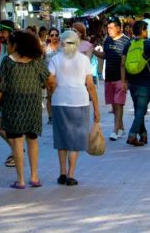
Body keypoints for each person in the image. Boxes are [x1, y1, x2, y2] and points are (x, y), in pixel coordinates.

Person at [0, 30, 54, 189]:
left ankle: (20, 180)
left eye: (9, 43)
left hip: (13, 106)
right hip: (32, 105)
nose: (7, 46)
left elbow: (0, 87)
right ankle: (34, 177)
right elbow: (50, 80)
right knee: (32, 140)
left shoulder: (8, 61)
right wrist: (50, 89)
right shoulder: (37, 61)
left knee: (16, 142)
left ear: (16, 45)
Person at [49, 31, 99, 185]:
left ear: (62, 43)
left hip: (59, 101)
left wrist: (55, 89)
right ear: (77, 43)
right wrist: (96, 109)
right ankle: (71, 175)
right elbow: (90, 86)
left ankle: (62, 173)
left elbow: (50, 81)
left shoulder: (55, 59)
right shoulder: (84, 60)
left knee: (62, 138)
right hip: (80, 101)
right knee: (75, 138)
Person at [121, 21, 150, 146]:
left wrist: (124, 81)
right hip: (145, 83)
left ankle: (143, 135)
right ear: (144, 31)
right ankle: (132, 135)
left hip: (132, 83)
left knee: (138, 109)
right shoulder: (149, 44)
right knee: (141, 110)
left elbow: (123, 64)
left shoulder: (128, 44)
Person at [93, 17, 130, 141]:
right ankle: (121, 128)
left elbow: (128, 62)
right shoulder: (107, 40)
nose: (109, 30)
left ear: (119, 28)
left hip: (121, 78)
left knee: (119, 104)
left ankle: (115, 130)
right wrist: (93, 51)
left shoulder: (127, 41)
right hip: (109, 77)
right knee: (114, 105)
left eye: (111, 27)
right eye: (107, 28)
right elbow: (105, 55)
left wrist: (127, 80)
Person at [44, 27, 61, 124]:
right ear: (49, 37)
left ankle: (58, 115)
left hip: (60, 76)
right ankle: (51, 117)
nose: (54, 37)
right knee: (50, 96)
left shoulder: (62, 47)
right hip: (49, 76)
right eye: (52, 35)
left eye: (56, 35)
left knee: (59, 96)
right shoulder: (45, 48)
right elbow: (42, 62)